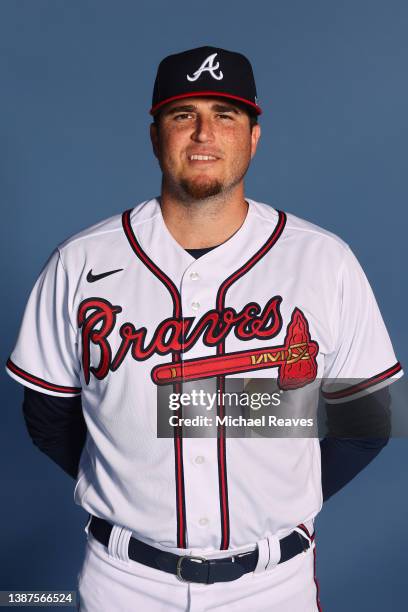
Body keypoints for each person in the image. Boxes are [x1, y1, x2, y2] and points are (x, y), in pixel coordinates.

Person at [6, 46, 403, 611]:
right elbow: (47, 417)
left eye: (225, 114)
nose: (203, 134)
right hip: (124, 582)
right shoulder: (79, 261)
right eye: (182, 114)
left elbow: (366, 421)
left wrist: (278, 496)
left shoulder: (322, 260)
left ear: (253, 136)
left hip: (273, 587)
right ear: (155, 135)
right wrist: (134, 479)